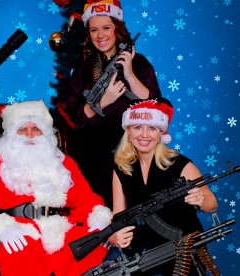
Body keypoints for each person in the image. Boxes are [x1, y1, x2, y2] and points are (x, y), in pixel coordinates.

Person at [0, 100, 113, 276]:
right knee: (18, 254)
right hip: (19, 231)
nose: (30, 135)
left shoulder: (64, 163)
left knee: (92, 245)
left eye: (36, 129)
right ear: (10, 134)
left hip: (62, 231)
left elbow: (86, 199)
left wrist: (99, 221)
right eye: (22, 129)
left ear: (46, 133)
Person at [64, 0, 162, 209]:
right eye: (94, 30)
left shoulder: (139, 63)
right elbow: (73, 115)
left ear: (117, 28)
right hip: (91, 156)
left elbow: (155, 103)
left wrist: (129, 73)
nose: (100, 36)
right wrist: (103, 101)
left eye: (106, 28)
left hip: (132, 151)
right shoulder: (83, 70)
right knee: (97, 212)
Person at [108, 98, 218, 275]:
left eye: (151, 128)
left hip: (183, 250)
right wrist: (113, 236)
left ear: (161, 132)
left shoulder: (180, 164)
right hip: (144, 254)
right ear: (128, 131)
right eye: (137, 127)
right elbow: (117, 215)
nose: (144, 135)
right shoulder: (122, 168)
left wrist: (201, 199)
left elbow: (212, 203)